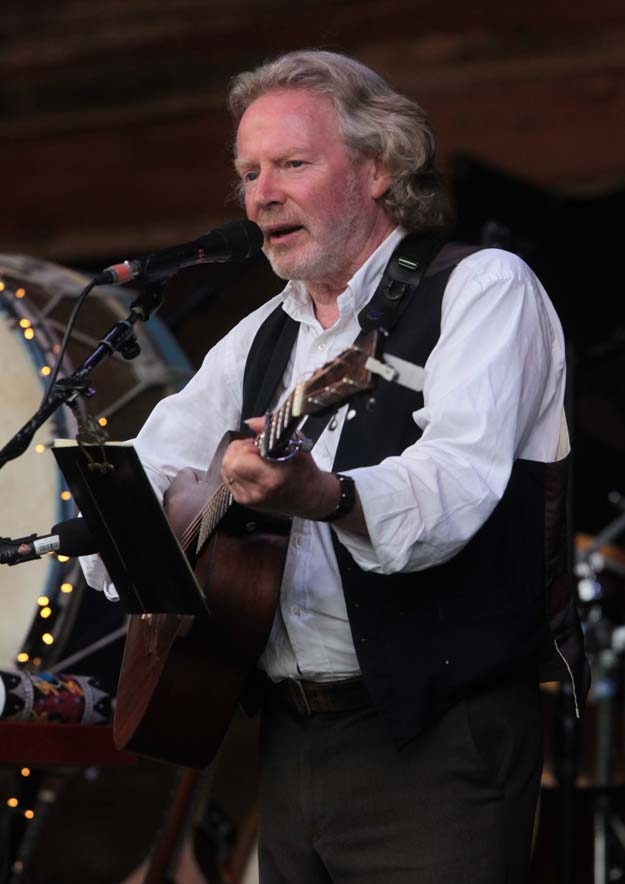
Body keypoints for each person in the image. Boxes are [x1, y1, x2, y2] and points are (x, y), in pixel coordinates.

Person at [81, 50, 585, 884]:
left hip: (436, 739)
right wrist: (173, 532)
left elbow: (455, 485)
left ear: (379, 168)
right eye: (248, 172)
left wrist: (322, 493)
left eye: (291, 164)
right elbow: (137, 485)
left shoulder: (481, 288)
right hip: (287, 736)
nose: (260, 194)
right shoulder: (260, 335)